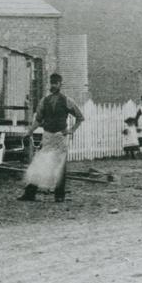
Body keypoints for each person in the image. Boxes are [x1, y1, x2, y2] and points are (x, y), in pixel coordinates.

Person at [18, 73, 84, 203]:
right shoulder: (44, 100)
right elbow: (38, 119)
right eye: (52, 83)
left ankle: (59, 195)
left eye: (56, 83)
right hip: (47, 135)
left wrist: (71, 130)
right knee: (39, 163)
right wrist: (29, 132)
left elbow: (80, 117)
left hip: (60, 136)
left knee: (60, 166)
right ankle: (30, 193)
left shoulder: (67, 100)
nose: (53, 85)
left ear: (60, 84)